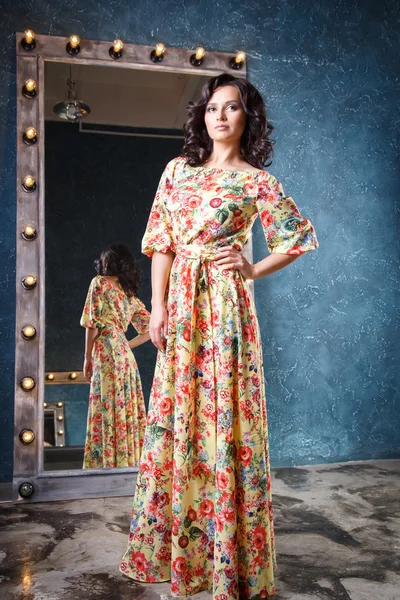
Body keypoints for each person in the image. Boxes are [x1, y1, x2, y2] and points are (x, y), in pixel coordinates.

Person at [120, 73, 318, 598]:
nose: (220, 117)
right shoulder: (177, 172)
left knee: (224, 414)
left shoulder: (257, 181)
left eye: (231, 108)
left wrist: (252, 270)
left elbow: (296, 238)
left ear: (246, 117)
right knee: (176, 416)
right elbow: (161, 240)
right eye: (212, 108)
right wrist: (157, 307)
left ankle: (229, 557)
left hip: (227, 307)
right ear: (202, 117)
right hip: (181, 304)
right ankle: (176, 550)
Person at [80, 243, 150, 469]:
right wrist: (124, 345)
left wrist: (87, 357)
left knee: (106, 404)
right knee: (122, 406)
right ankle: (127, 465)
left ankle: (105, 466)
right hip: (124, 356)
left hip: (105, 350)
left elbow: (91, 324)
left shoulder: (98, 283)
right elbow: (149, 331)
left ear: (107, 262)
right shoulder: (130, 297)